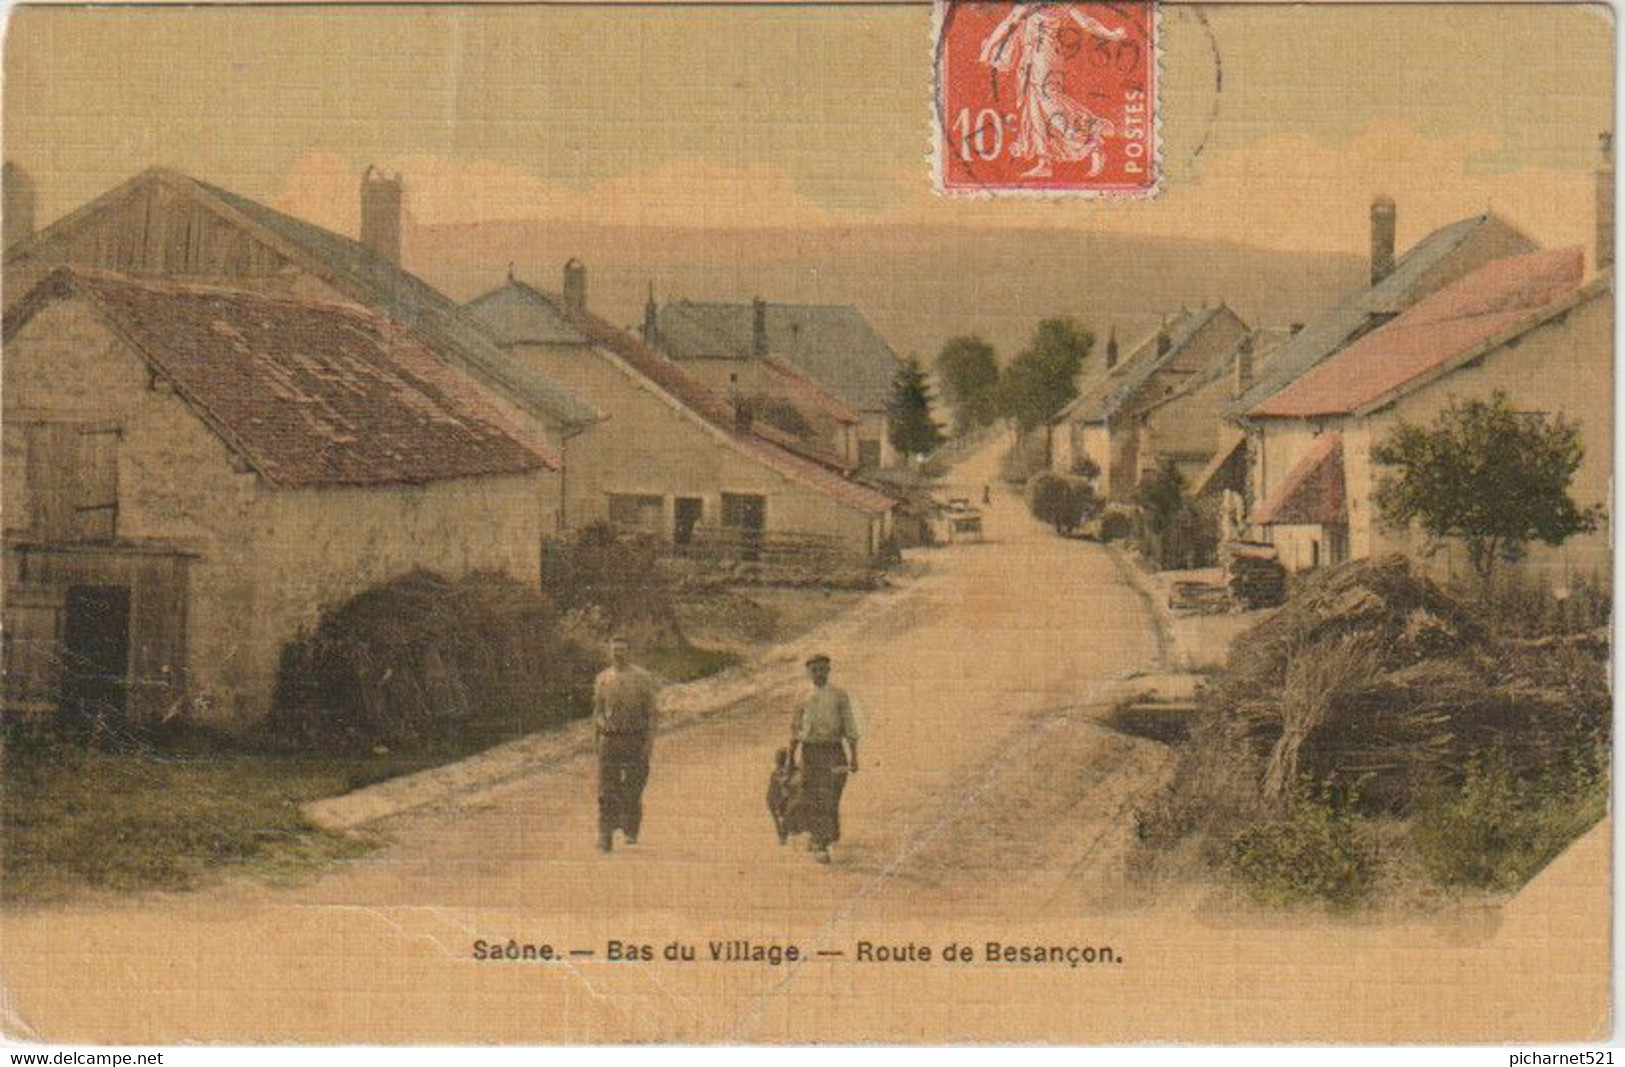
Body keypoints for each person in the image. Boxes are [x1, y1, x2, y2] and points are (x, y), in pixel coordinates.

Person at [978, 3, 1128, 178]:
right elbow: (1087, 23)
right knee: (1034, 108)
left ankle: (1091, 143)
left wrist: (988, 49)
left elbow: (1009, 21)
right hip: (1040, 58)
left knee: (1048, 105)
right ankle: (1044, 162)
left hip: (1041, 58)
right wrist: (1110, 34)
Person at [789, 653, 861, 864]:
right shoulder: (802, 696)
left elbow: (850, 725)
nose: (819, 673)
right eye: (814, 670)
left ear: (829, 670)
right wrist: (790, 758)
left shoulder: (839, 695)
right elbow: (795, 729)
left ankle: (824, 835)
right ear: (808, 672)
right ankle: (821, 841)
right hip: (810, 751)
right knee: (813, 794)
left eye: (823, 669)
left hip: (834, 752)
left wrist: (854, 757)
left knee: (832, 794)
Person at [592, 636, 662, 853]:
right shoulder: (603, 678)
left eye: (622, 649)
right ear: (609, 652)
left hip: (634, 738)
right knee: (605, 790)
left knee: (632, 787)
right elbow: (597, 711)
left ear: (629, 652)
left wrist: (648, 744)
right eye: (614, 650)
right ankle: (605, 836)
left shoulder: (642, 678)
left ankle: (630, 827)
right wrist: (599, 734)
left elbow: (651, 713)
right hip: (610, 740)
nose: (618, 654)